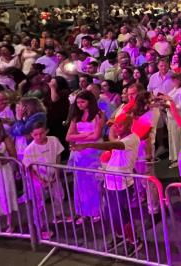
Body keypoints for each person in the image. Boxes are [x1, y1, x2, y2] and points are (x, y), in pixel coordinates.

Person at [71, 115, 142, 253]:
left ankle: (134, 240)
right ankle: (121, 236)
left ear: (129, 126)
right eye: (116, 125)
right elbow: (112, 139)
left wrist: (87, 145)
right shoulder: (121, 137)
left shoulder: (132, 139)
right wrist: (111, 126)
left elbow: (110, 144)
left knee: (122, 215)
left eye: (120, 125)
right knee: (111, 214)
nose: (117, 128)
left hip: (122, 185)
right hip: (110, 182)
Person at [65, 90, 104, 224]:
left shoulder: (98, 114)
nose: (80, 104)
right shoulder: (76, 116)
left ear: (89, 101)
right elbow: (68, 136)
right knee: (80, 184)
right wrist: (86, 135)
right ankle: (83, 212)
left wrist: (80, 136)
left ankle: (97, 211)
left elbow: (96, 136)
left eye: (83, 102)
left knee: (94, 183)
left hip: (93, 153)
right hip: (79, 154)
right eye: (78, 102)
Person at [23, 121, 65, 239]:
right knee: (38, 204)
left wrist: (56, 174)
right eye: (35, 135)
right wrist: (41, 180)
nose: (38, 137)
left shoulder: (53, 140)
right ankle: (40, 228)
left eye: (41, 133)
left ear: (46, 131)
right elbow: (28, 168)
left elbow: (58, 156)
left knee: (59, 196)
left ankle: (58, 216)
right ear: (31, 134)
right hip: (37, 179)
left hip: (53, 175)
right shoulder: (29, 149)